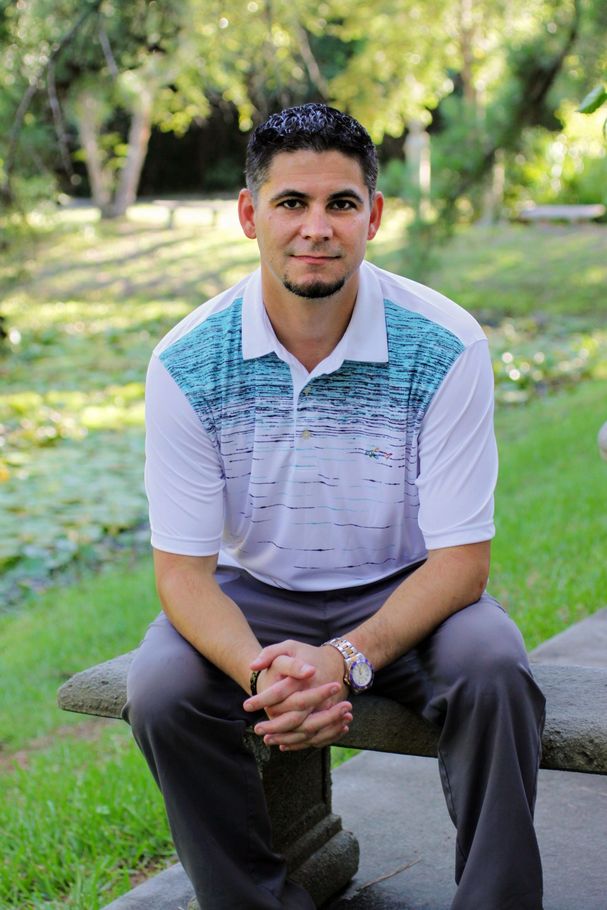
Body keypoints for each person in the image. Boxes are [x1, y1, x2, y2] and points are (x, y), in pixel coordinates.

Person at [124, 103, 546, 910]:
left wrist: (343, 661)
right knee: (162, 690)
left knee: (494, 669)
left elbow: (461, 563)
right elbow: (181, 576)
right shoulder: (185, 360)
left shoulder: (444, 343)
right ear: (250, 214)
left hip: (407, 589)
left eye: (339, 204)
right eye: (291, 203)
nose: (315, 228)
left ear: (372, 217)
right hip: (256, 592)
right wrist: (266, 671)